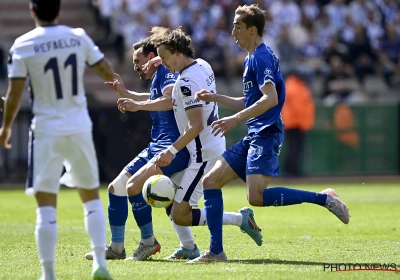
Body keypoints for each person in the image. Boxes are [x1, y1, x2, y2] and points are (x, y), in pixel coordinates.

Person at [190, 4, 350, 263]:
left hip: (266, 133)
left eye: (237, 27)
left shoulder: (261, 57)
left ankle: (324, 198)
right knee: (211, 182)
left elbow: (270, 98)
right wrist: (216, 97)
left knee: (256, 197)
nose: (232, 32)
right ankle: (216, 251)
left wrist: (234, 120)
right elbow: (251, 100)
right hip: (254, 133)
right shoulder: (251, 58)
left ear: (252, 30)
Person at [116, 26, 263, 257]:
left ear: (177, 52)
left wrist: (171, 151)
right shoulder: (202, 64)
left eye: (164, 58)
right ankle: (188, 246)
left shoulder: (185, 82)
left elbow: (195, 125)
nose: (163, 63)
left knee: (180, 213)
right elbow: (174, 100)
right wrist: (140, 102)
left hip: (202, 152)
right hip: (206, 145)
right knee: (169, 201)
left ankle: (239, 220)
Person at [0, 0, 114, 279]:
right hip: (78, 126)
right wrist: (123, 92)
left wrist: (5, 128)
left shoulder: (23, 44)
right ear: (59, 10)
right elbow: (104, 70)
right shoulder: (77, 37)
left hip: (46, 130)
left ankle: (48, 273)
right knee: (91, 200)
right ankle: (100, 262)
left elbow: (14, 95)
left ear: (32, 11)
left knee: (46, 208)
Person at [85, 37, 197, 261]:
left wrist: (137, 106)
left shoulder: (166, 73)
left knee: (133, 187)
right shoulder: (158, 76)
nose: (135, 65)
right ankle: (117, 247)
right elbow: (154, 98)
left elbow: (169, 101)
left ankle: (148, 242)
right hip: (156, 145)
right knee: (115, 188)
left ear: (152, 57)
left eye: (138, 60)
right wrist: (127, 94)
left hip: (171, 148)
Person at [281, 70, 315, 177]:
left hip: (294, 122)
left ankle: (292, 170)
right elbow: (298, 108)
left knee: (294, 147)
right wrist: (304, 124)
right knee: (295, 148)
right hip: (295, 122)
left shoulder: (295, 85)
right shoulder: (294, 87)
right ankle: (292, 171)